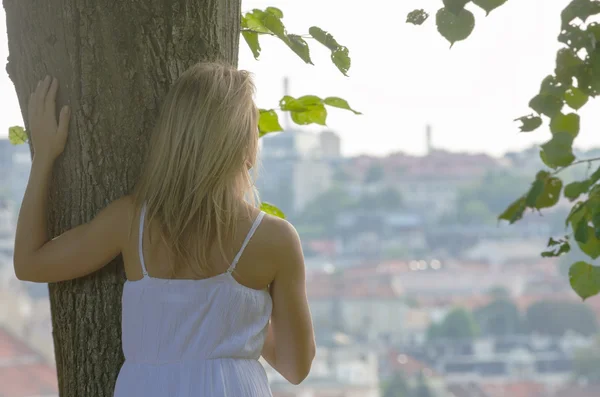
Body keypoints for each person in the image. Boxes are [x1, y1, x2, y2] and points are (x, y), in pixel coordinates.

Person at [14, 62, 316, 396]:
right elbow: (296, 367)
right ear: (245, 147)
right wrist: (239, 317)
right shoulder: (274, 239)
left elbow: (30, 263)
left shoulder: (131, 220)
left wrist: (44, 156)